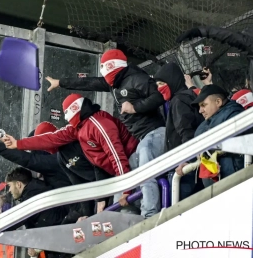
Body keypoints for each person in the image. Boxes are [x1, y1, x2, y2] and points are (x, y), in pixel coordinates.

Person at [44, 49, 166, 218]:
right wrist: (61, 82)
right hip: (140, 140)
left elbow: (159, 97)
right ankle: (127, 221)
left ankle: (150, 214)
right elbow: (89, 83)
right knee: (125, 179)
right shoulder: (113, 85)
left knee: (144, 167)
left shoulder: (137, 78)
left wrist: (135, 107)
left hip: (155, 133)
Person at [3, 94, 139, 214]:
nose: (66, 118)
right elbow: (49, 139)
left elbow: (116, 157)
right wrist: (18, 144)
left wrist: (125, 189)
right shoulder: (76, 130)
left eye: (67, 112)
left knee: (130, 205)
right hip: (116, 176)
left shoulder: (99, 125)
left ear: (75, 110)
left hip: (131, 161)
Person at [176, 85, 245, 187]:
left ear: (218, 102)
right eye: (200, 106)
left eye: (203, 105)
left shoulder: (234, 114)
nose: (200, 110)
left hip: (238, 180)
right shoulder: (203, 125)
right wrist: (190, 162)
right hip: (220, 186)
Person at [154, 62, 205, 200]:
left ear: (171, 81)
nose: (158, 89)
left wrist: (187, 160)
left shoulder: (179, 101)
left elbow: (186, 132)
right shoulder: (187, 97)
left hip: (183, 169)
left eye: (160, 84)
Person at [0, 128, 71, 189]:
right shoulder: (68, 154)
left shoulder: (55, 162)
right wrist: (14, 146)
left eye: (34, 148)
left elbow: (27, 159)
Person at [2, 167, 69, 258]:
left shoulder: (32, 199)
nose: (9, 190)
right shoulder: (36, 191)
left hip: (63, 245)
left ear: (18, 184)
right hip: (61, 243)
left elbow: (12, 223)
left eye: (9, 186)